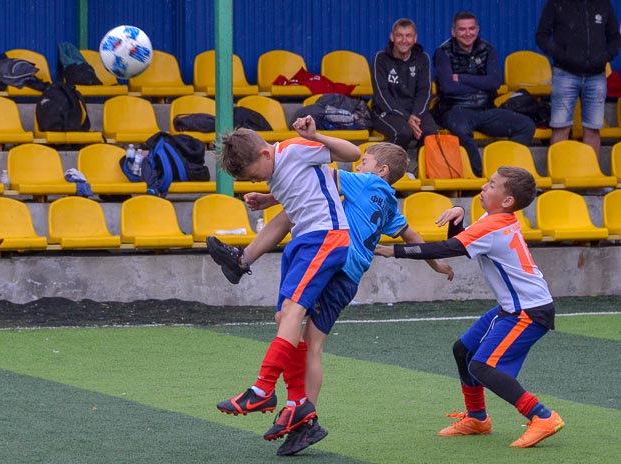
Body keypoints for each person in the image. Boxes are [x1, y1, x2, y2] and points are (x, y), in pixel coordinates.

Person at [208, 142, 454, 455]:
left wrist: (270, 196)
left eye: (365, 161)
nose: (359, 165)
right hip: (350, 278)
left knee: (289, 317)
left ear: (381, 171)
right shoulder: (390, 203)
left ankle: (280, 397)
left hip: (333, 258)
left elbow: (320, 178)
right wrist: (437, 264)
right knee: (311, 343)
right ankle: (303, 417)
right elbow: (412, 237)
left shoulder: (364, 182)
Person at [375, 166, 564, 448]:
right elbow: (464, 242)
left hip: (528, 311)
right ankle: (477, 418)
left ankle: (542, 417)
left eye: (492, 185)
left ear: (508, 201)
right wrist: (458, 220)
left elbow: (447, 249)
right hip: (514, 307)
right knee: (463, 350)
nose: (485, 187)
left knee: (482, 366)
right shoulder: (494, 219)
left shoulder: (492, 225)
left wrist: (393, 250)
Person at [214, 116, 360, 446]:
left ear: (266, 154)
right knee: (284, 319)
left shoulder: (295, 149)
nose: (257, 180)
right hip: (303, 241)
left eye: (254, 174)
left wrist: (316, 135)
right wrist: (268, 199)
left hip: (326, 237)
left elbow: (352, 153)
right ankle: (298, 405)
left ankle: (262, 389)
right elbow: (301, 190)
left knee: (293, 313)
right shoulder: (275, 168)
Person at [433, 11, 536, 177]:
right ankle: (479, 175)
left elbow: (494, 82)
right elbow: (448, 87)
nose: (467, 33)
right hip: (456, 109)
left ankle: (502, 170)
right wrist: (481, 84)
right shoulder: (443, 52)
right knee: (461, 129)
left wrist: (462, 77)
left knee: (526, 126)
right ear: (454, 32)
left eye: (471, 28)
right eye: (462, 29)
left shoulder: (487, 49)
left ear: (477, 29)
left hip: (486, 109)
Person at [536, 0, 621, 157]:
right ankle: (557, 171)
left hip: (597, 76)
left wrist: (605, 57)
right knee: (561, 127)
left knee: (593, 128)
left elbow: (615, 38)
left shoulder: (604, 4)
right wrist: (563, 56)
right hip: (565, 74)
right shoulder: (556, 3)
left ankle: (593, 173)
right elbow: (541, 36)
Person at [371, 18, 438, 148]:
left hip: (414, 111)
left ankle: (420, 168)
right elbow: (382, 96)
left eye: (408, 36)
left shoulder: (423, 58)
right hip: (385, 110)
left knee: (430, 133)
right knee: (403, 133)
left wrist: (415, 116)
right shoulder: (380, 58)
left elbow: (425, 92)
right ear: (392, 37)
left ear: (415, 38)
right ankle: (393, 168)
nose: (404, 40)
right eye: (399, 35)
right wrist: (407, 117)